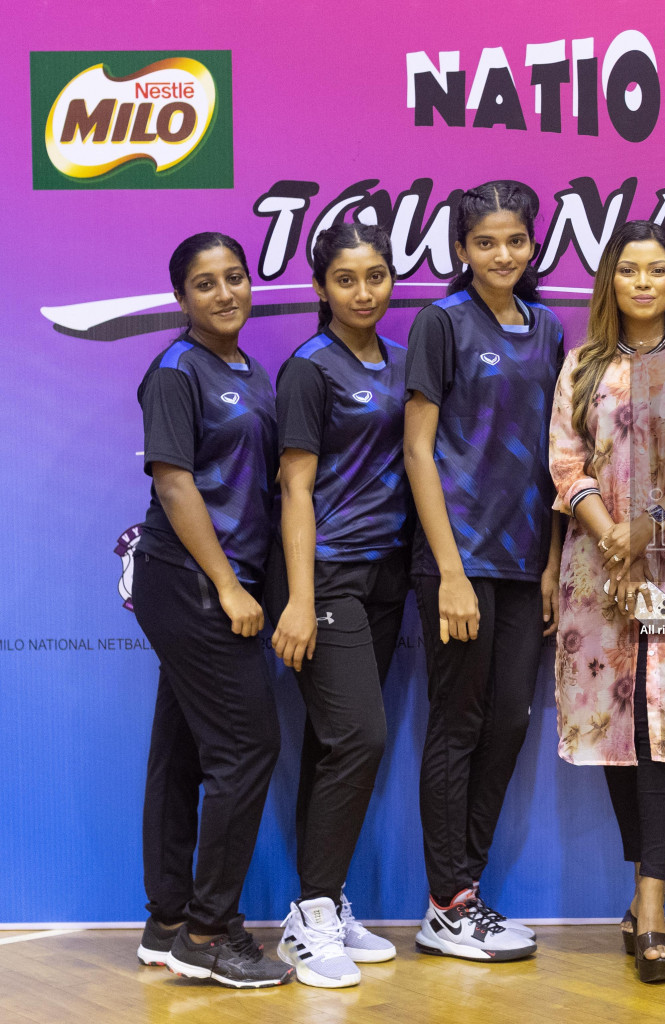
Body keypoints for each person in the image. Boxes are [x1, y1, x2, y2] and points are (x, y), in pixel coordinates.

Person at [548, 220, 665, 983]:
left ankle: (652, 910)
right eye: (629, 270)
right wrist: (611, 536)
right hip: (596, 571)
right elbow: (565, 460)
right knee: (616, 726)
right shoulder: (582, 365)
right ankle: (640, 897)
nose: (643, 283)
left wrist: (647, 525)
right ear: (610, 279)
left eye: (656, 269)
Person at [402, 181, 564, 962]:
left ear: (533, 244)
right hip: (457, 565)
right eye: (485, 242)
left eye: (515, 241)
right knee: (458, 725)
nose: (503, 255)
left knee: (507, 725)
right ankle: (445, 902)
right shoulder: (441, 324)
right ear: (461, 250)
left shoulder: (549, 329)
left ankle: (467, 894)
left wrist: (551, 565)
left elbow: (564, 455)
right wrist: (449, 569)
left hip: (525, 560)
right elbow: (418, 449)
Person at [132, 232, 292, 988]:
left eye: (234, 277)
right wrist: (230, 586)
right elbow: (174, 483)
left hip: (221, 581)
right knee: (247, 747)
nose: (225, 292)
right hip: (191, 582)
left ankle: (167, 917)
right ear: (181, 297)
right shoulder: (174, 371)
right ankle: (208, 931)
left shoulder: (250, 370)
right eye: (205, 283)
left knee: (187, 749)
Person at [268, 223, 410, 987]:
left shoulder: (400, 360)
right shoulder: (308, 369)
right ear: (321, 288)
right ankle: (313, 915)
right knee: (361, 738)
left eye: (377, 276)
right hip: (325, 579)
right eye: (347, 279)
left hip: (387, 577)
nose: (364, 292)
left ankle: (321, 905)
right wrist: (298, 597)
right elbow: (296, 488)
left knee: (333, 746)